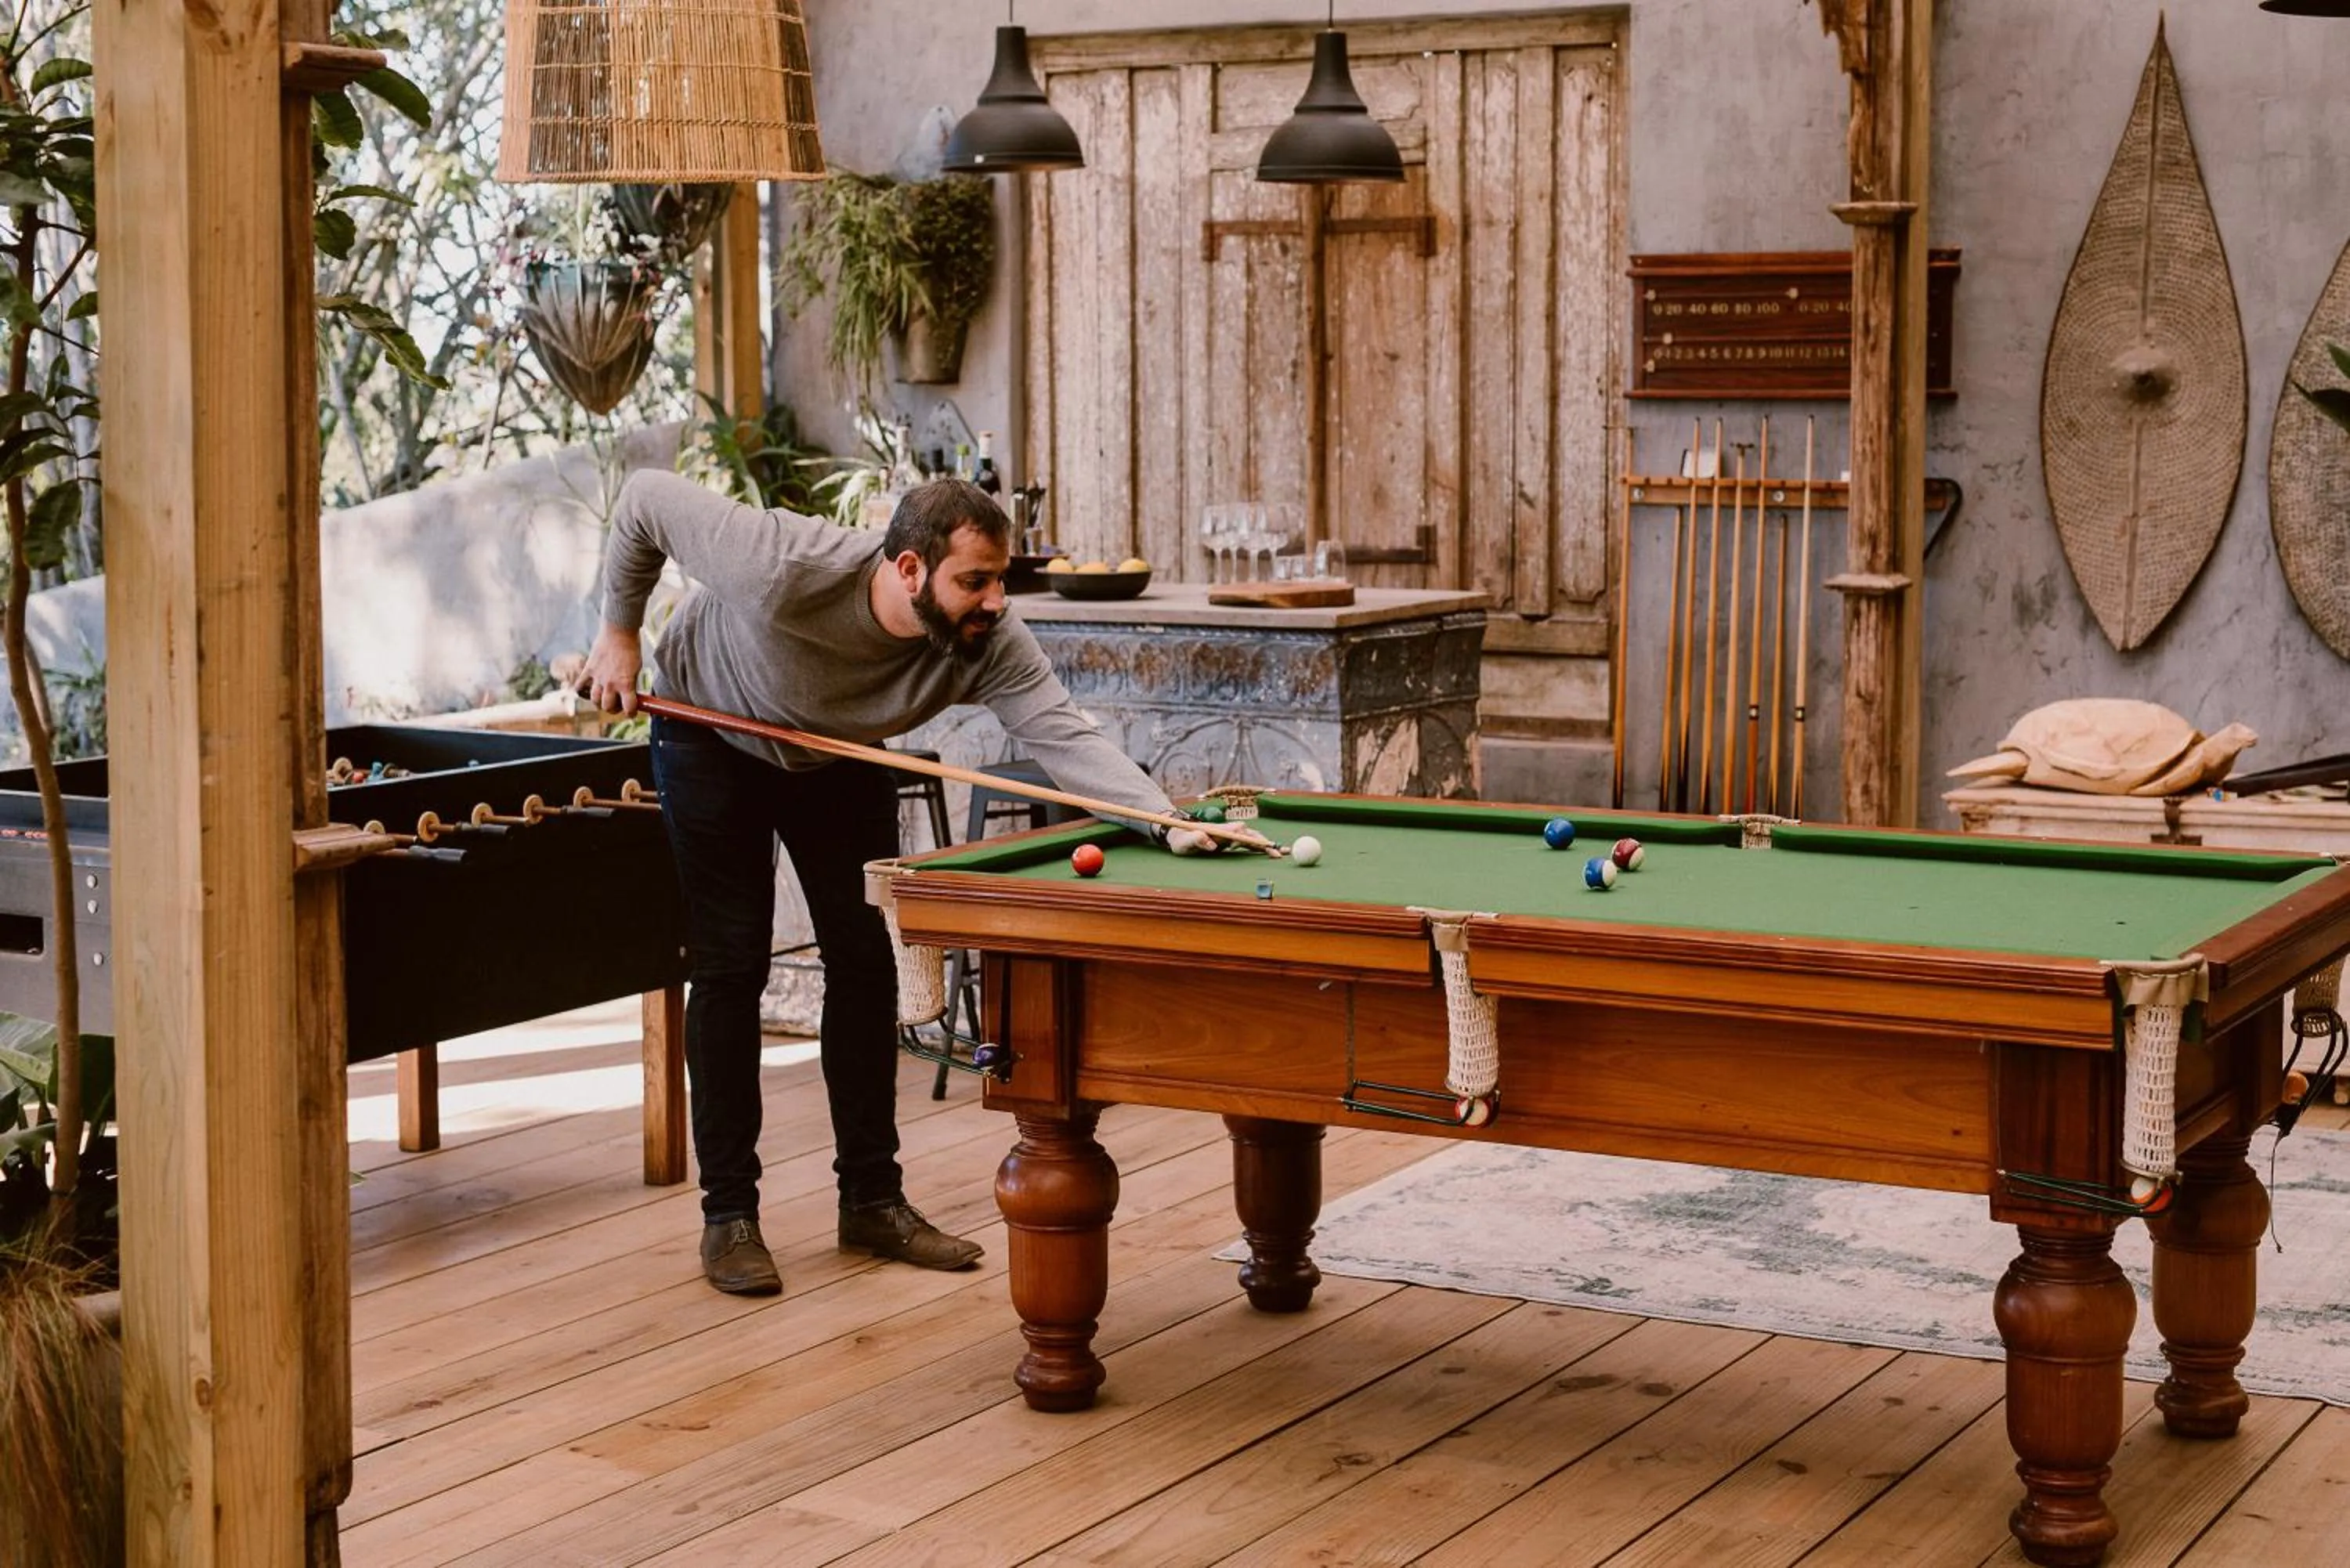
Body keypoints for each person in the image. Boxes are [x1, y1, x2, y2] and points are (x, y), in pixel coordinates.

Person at [585, 471, 1237, 1295]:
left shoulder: (989, 636)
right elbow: (643, 497)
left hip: (838, 751)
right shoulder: (782, 563)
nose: (995, 600)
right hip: (710, 729)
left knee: (863, 962)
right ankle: (730, 1216)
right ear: (906, 570)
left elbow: (1063, 736)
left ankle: (871, 1200)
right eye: (974, 580)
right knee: (731, 962)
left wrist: (1166, 819)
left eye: (1000, 579)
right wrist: (619, 631)